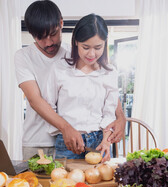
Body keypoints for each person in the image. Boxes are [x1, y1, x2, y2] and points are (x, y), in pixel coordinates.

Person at [14, 0, 125, 161]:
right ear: (32, 34)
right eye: (41, 37)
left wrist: (121, 117)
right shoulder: (23, 56)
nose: (49, 42)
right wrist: (66, 128)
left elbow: (107, 92)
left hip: (78, 140)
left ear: (61, 23)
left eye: (52, 34)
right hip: (38, 140)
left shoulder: (78, 52)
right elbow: (35, 100)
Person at [43, 13, 118, 161]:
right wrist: (65, 130)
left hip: (99, 140)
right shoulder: (59, 69)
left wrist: (106, 141)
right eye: (86, 47)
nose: (91, 54)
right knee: (65, 183)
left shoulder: (110, 73)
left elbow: (109, 113)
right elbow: (48, 107)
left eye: (98, 47)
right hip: (69, 141)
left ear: (105, 43)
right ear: (76, 42)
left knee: (101, 182)